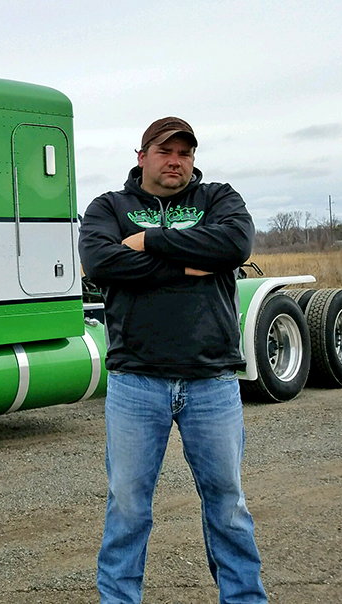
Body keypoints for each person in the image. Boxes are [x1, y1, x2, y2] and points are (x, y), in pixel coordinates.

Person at [78, 117, 267, 604]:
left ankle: (244, 598)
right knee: (127, 507)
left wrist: (149, 242)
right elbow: (102, 263)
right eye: (165, 151)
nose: (176, 161)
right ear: (142, 156)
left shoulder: (218, 198)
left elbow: (235, 245)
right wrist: (190, 262)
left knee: (228, 504)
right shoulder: (109, 207)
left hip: (212, 379)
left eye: (185, 153)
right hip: (135, 381)